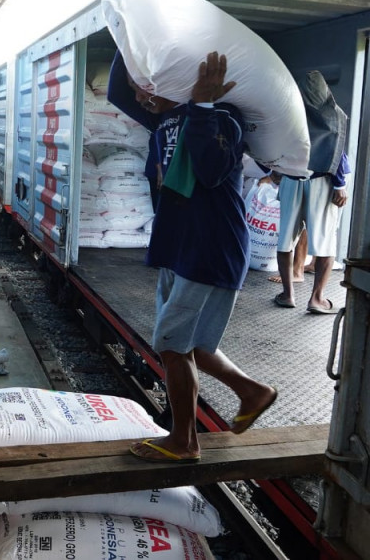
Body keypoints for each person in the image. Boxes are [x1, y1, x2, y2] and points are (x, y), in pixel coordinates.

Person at [107, 50, 278, 462]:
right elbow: (118, 89)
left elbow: (211, 169)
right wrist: (128, 31)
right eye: (140, 86)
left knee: (170, 344)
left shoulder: (221, 116)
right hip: (180, 247)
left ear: (176, 81)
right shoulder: (162, 117)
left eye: (148, 85)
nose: (141, 95)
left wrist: (200, 103)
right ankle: (253, 392)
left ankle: (183, 441)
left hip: (210, 246)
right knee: (195, 346)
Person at [272, 70, 350, 314]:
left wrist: (273, 168)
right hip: (321, 181)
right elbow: (338, 150)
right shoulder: (334, 114)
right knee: (325, 241)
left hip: (291, 179)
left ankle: (288, 294)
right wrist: (340, 184)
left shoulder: (289, 112)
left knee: (285, 238)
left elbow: (273, 140)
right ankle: (316, 298)